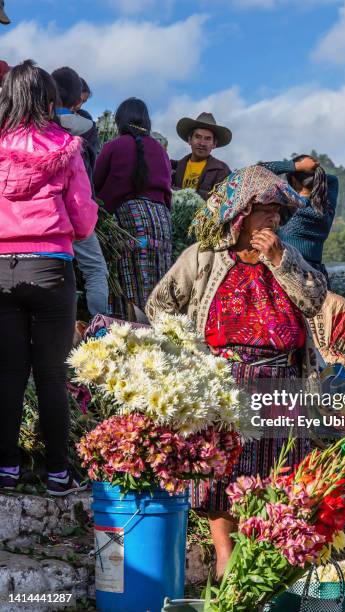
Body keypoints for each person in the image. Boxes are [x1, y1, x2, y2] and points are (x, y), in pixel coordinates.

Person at [146, 164, 328, 577]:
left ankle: (265, 561)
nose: (274, 220)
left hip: (281, 385)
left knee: (278, 475)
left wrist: (281, 261)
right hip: (225, 384)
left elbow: (315, 300)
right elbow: (160, 304)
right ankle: (226, 559)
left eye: (279, 213)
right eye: (266, 210)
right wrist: (188, 355)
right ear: (241, 214)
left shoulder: (286, 256)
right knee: (223, 475)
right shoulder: (204, 258)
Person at [0, 60, 98, 494]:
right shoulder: (66, 147)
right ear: (48, 101)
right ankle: (58, 472)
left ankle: (6, 468)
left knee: (7, 374)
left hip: (2, 271)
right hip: (52, 267)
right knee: (53, 375)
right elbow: (83, 221)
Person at [94, 97, 172, 319]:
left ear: (120, 122)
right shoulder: (159, 150)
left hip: (127, 218)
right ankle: (159, 328)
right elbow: (167, 191)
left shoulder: (113, 146)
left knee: (128, 280)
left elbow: (96, 185)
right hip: (160, 221)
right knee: (158, 279)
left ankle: (129, 331)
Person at [51, 66, 109, 317]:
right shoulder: (86, 127)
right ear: (77, 100)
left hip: (47, 211)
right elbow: (90, 170)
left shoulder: (38, 124)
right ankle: (99, 327)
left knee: (55, 269)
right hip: (77, 209)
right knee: (95, 269)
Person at [261, 155, 339, 277]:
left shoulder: (289, 207)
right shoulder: (326, 207)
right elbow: (333, 179)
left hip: (288, 273)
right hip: (316, 275)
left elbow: (258, 171)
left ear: (293, 180)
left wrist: (295, 166)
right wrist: (316, 173)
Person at [172, 112, 231, 200]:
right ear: (189, 140)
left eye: (208, 139)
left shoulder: (222, 171)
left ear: (214, 144)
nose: (202, 143)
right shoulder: (174, 167)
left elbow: (221, 202)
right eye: (198, 137)